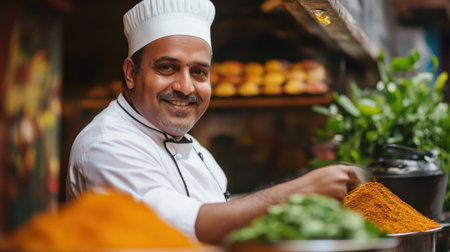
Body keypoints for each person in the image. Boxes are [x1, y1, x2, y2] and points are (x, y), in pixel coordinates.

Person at [66, 0, 362, 244]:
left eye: (199, 72)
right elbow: (170, 229)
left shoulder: (193, 147)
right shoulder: (107, 144)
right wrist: (299, 192)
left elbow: (223, 217)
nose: (185, 87)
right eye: (167, 68)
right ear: (131, 73)